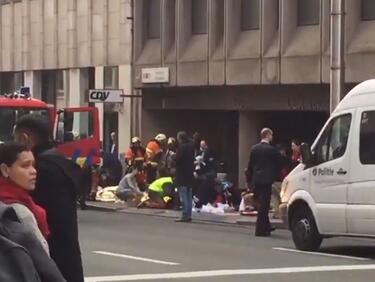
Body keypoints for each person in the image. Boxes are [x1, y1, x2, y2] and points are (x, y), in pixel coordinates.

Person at [14, 114, 84, 282]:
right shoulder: (60, 163)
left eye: (15, 139)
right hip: (67, 254)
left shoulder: (41, 169)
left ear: (25, 138)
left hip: (48, 257)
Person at [0, 142, 49, 254]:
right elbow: (42, 259)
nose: (33, 171)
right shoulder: (20, 211)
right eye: (25, 165)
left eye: (33, 165)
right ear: (5, 170)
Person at [247, 128, 280, 237]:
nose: (272, 137)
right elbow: (278, 164)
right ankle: (260, 229)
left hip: (257, 179)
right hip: (267, 180)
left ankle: (267, 226)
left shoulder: (254, 149)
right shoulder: (272, 150)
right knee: (264, 205)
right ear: (267, 135)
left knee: (260, 204)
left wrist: (250, 180)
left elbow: (250, 165)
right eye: (271, 135)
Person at [175, 131, 195, 222]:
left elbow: (178, 160)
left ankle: (184, 215)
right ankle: (189, 214)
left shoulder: (181, 147)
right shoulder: (191, 147)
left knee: (183, 196)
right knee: (189, 195)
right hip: (189, 173)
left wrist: (173, 157)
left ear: (180, 138)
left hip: (182, 174)